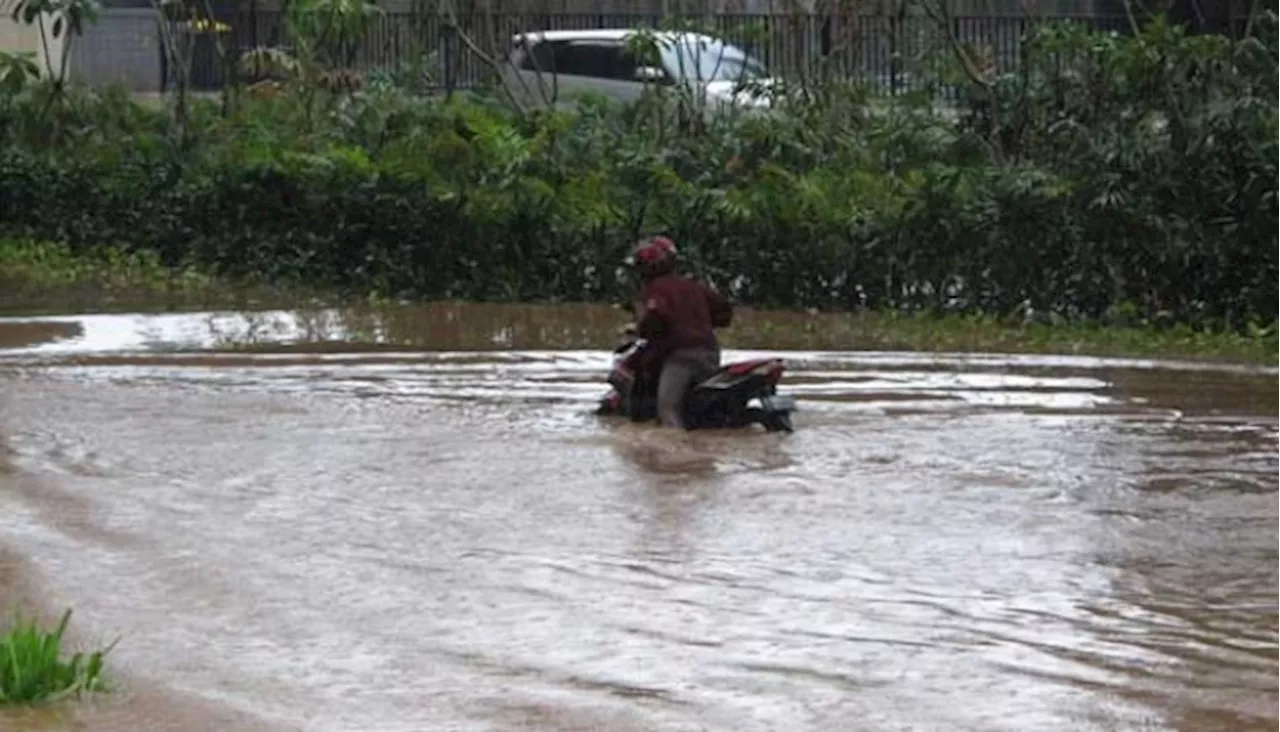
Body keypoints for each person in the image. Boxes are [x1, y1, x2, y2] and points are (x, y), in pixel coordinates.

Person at [627, 235, 733, 429]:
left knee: (667, 409)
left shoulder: (656, 289)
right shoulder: (693, 286)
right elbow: (724, 310)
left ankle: (675, 454)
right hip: (710, 354)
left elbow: (655, 318)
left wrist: (640, 329)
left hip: (681, 358)